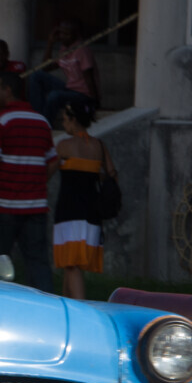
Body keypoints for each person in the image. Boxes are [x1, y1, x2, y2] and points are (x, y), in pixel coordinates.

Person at [0, 71, 58, 293]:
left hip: (4, 208)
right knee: (38, 265)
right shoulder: (42, 121)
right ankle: (46, 310)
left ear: (8, 91)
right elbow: (53, 162)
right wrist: (35, 183)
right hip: (35, 208)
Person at [51, 102, 115, 300]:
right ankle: (66, 302)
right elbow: (111, 174)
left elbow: (47, 172)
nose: (63, 124)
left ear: (73, 119)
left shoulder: (64, 146)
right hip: (92, 213)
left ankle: (79, 306)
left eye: (64, 119)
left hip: (69, 212)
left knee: (71, 263)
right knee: (72, 264)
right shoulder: (99, 146)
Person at [27, 20, 99, 128]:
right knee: (37, 76)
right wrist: (50, 43)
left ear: (75, 34)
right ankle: (38, 118)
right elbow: (45, 68)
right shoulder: (64, 48)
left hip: (83, 95)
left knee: (54, 96)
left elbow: (89, 78)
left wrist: (94, 102)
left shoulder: (82, 50)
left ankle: (43, 127)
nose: (62, 37)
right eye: (61, 33)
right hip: (70, 89)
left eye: (66, 34)